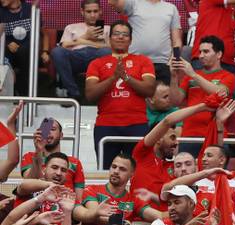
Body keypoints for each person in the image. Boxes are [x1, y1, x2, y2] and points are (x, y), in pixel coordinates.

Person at [85, 21, 157, 167]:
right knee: (107, 171)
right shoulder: (97, 63)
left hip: (137, 124)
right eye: (116, 34)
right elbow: (90, 94)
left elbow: (149, 90)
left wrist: (126, 78)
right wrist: (113, 78)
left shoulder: (143, 61)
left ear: (130, 40)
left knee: (139, 170)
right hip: (106, 124)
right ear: (109, 38)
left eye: (125, 34)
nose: (120, 37)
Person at [170, 35, 235, 142]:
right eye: (200, 52)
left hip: (215, 135)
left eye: (206, 52)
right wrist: (173, 77)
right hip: (189, 134)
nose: (201, 55)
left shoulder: (228, 76)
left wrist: (194, 75)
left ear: (219, 54)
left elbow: (219, 93)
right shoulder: (190, 76)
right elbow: (174, 101)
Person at [107, 0, 182, 82]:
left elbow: (177, 40)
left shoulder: (171, 8)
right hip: (136, 61)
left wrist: (175, 60)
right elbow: (113, 2)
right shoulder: (133, 3)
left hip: (163, 63)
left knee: (164, 94)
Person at [51, 0, 111, 99]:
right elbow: (63, 46)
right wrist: (86, 36)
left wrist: (81, 41)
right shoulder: (71, 27)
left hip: (98, 58)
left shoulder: (108, 29)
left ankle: (105, 93)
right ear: (82, 12)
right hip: (76, 57)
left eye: (95, 11)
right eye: (89, 12)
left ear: (100, 11)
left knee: (106, 52)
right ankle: (73, 92)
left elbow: (111, 50)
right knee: (57, 52)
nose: (92, 15)